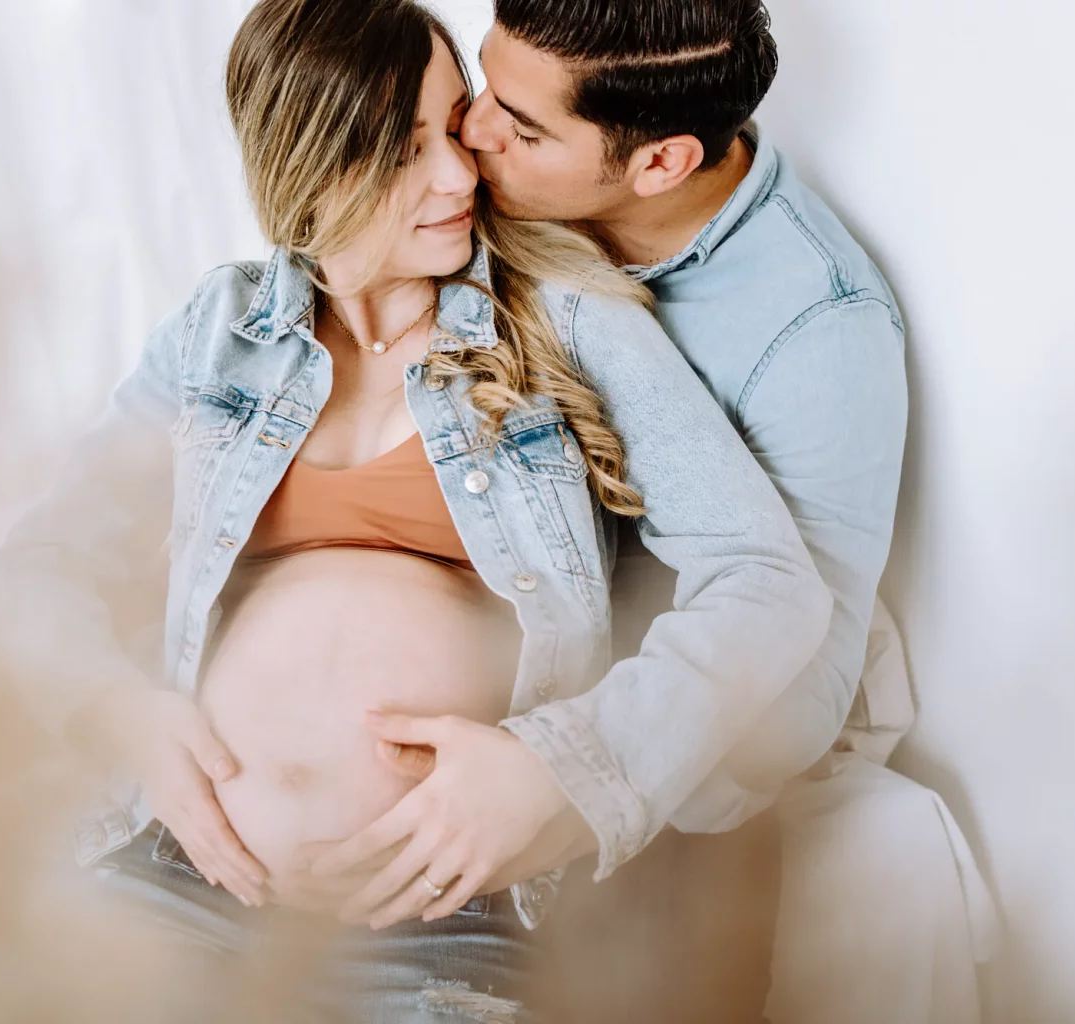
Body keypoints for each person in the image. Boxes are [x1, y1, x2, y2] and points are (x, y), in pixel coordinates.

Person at [0, 0, 832, 1018]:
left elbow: (766, 581)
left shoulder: (564, 317)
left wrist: (560, 774)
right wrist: (120, 716)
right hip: (179, 874)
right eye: (406, 150)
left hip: (439, 918)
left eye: (455, 122)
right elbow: (39, 566)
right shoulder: (217, 332)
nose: (461, 173)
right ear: (311, 162)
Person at [385, 0, 993, 1020]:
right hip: (443, 688)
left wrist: (559, 776)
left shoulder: (818, 333)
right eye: (489, 87)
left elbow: (799, 694)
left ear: (661, 162)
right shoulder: (477, 189)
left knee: (881, 851)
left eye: (523, 127)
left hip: (642, 757)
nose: (473, 130)